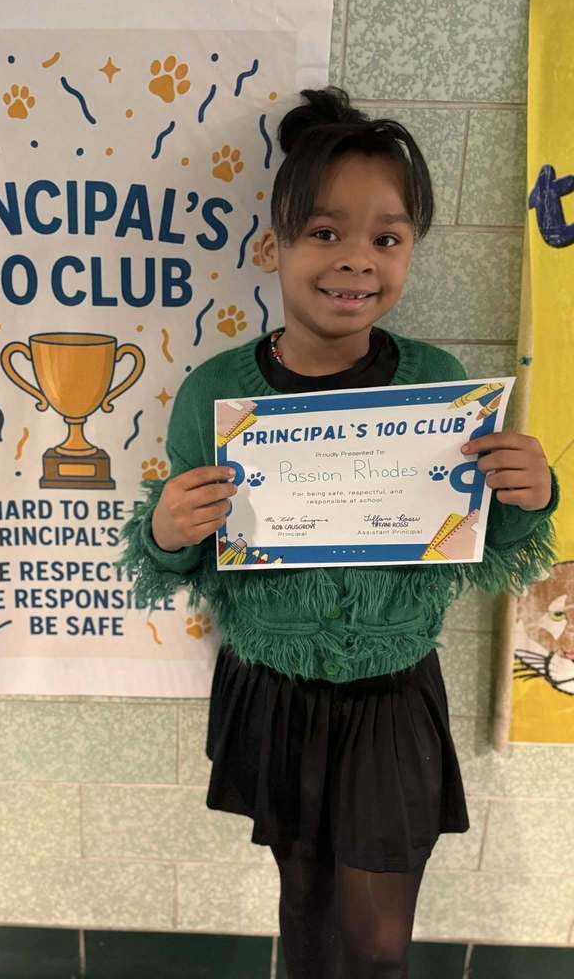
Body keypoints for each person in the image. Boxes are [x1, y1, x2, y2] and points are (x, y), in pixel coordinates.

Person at [118, 86, 559, 979]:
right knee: (309, 913)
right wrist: (165, 530)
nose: (356, 261)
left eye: (386, 238)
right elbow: (186, 558)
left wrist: (532, 495)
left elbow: (490, 543)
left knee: (379, 944)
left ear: (409, 252)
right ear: (275, 246)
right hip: (273, 690)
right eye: (325, 234)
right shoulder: (216, 390)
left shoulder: (436, 383)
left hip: (391, 699)